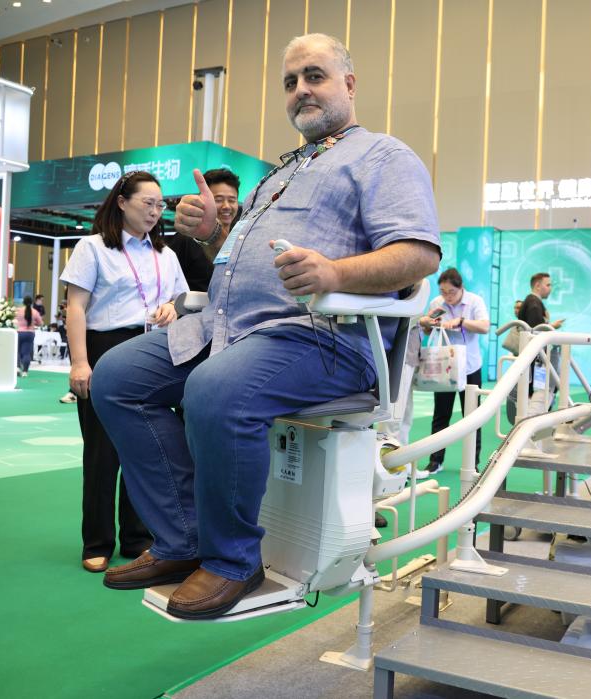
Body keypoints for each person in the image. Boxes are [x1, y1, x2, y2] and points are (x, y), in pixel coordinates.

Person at [90, 33, 440, 620]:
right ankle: (182, 539)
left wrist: (335, 272)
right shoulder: (282, 172)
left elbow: (418, 253)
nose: (301, 89)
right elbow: (242, 260)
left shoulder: (384, 156)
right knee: (116, 377)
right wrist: (212, 234)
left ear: (349, 84)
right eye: (290, 82)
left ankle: (232, 560)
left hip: (324, 338)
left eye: (315, 76)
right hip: (227, 330)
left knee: (216, 388)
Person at [61, 170, 190, 574]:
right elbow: (76, 307)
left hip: (155, 351)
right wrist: (80, 362)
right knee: (102, 452)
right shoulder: (93, 247)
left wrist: (172, 307)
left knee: (146, 447)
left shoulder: (166, 255)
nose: (155, 211)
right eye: (147, 203)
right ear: (121, 202)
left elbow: (182, 300)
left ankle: (138, 537)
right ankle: (97, 541)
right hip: (105, 347)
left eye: (160, 205)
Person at [417, 268, 489, 476]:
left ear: (461, 288)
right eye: (443, 291)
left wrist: (462, 322)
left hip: (470, 366)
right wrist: (429, 323)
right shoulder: (436, 303)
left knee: (472, 417)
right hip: (444, 367)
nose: (447, 296)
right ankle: (435, 461)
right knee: (441, 415)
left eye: (451, 292)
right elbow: (427, 331)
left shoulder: (474, 301)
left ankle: (473, 463)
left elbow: (485, 327)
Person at [166, 168, 242, 291]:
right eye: (218, 200)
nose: (227, 206)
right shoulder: (185, 239)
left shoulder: (242, 241)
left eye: (232, 200)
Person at [15, 295, 42, 377]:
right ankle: (25, 371)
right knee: (26, 353)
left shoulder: (18, 311)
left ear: (23, 302)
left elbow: (14, 320)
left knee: (17, 351)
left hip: (19, 332)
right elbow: (40, 323)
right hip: (30, 333)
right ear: (31, 303)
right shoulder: (35, 312)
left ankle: (17, 368)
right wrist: (34, 323)